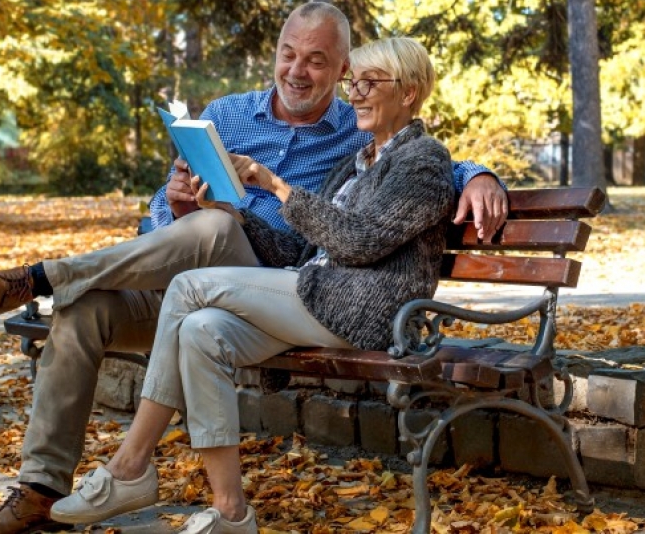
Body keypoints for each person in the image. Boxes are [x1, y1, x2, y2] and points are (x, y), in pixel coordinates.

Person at [0, 3, 506, 534]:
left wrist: (481, 175)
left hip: (265, 281)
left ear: (341, 69)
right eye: (288, 54)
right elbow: (160, 215)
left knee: (221, 230)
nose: (298, 70)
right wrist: (172, 206)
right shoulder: (226, 115)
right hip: (189, 274)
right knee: (86, 310)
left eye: (317, 60)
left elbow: (423, 162)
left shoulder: (355, 130)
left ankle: (44, 284)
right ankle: (44, 489)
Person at [49, 35, 455, 534]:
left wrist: (275, 184)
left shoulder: (423, 160)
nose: (356, 94)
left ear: (410, 92)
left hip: (365, 311)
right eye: (354, 83)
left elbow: (360, 243)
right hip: (317, 295)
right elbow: (303, 253)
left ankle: (130, 466)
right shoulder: (357, 162)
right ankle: (232, 513)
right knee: (201, 330)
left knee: (187, 289)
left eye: (370, 83)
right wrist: (233, 216)